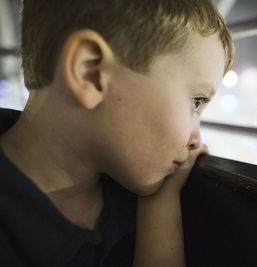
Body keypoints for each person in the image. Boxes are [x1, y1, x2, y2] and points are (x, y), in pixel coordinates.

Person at [0, 0, 234, 266]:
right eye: (196, 101)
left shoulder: (125, 180)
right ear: (90, 72)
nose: (196, 140)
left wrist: (158, 203)